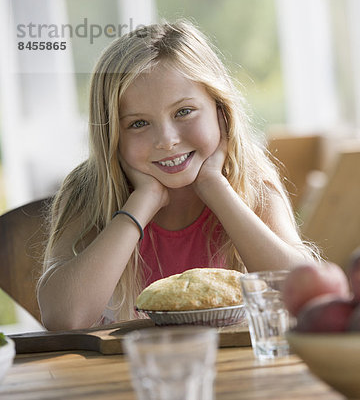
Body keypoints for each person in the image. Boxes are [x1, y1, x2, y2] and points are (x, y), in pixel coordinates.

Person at [37, 20, 319, 331]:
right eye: (138, 124)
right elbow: (65, 318)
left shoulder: (251, 181)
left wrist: (216, 189)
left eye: (183, 112)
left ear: (220, 111)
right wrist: (141, 204)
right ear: (112, 137)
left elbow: (306, 295)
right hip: (128, 375)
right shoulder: (88, 191)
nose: (166, 140)